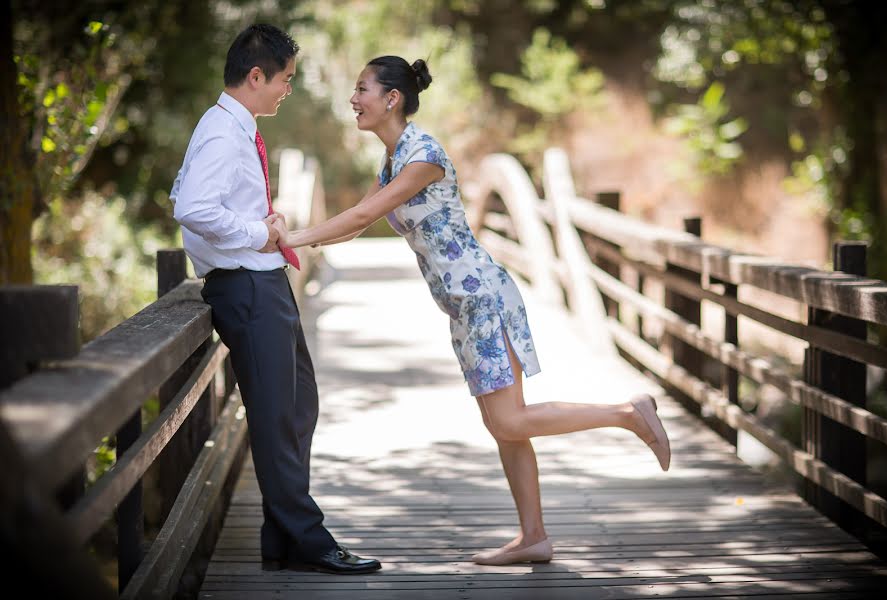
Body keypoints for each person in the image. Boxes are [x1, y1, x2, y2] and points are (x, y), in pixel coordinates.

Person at [271, 55, 671, 566]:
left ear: (392, 98)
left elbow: (366, 212)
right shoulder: (393, 159)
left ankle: (627, 413)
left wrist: (294, 239)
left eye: (361, 88)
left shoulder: (422, 155)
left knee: (510, 420)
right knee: (504, 425)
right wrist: (297, 237)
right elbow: (354, 224)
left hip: (481, 295)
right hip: (462, 304)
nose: (353, 99)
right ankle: (533, 537)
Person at [169, 24, 380, 575]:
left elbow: (185, 192)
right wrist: (255, 234)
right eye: (284, 79)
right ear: (256, 76)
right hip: (246, 286)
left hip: (264, 283)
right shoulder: (221, 131)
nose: (288, 89)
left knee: (297, 407)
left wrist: (256, 226)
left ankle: (281, 539)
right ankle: (309, 541)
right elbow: (190, 207)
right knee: (277, 416)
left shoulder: (232, 129)